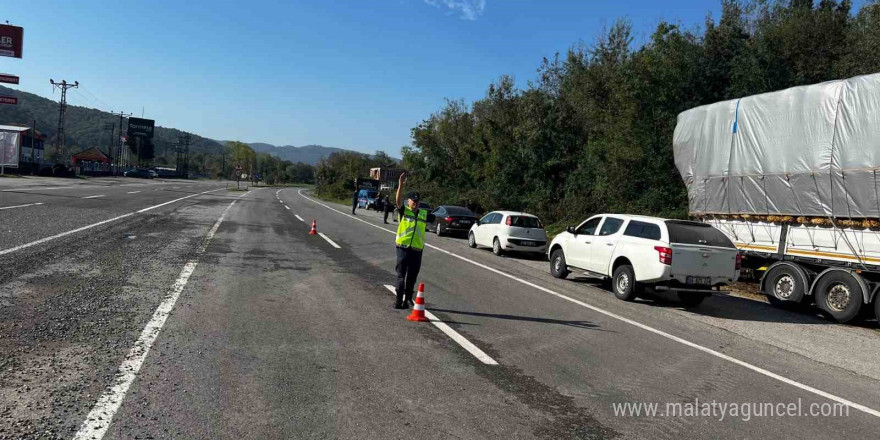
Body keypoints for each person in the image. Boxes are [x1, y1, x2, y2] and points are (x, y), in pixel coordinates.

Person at [393, 172, 434, 309]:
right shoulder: (404, 211)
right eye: (413, 200)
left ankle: (408, 299)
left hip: (417, 250)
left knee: (412, 277)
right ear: (408, 201)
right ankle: (398, 300)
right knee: (401, 276)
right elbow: (398, 201)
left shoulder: (423, 214)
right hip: (403, 248)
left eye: (417, 201)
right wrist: (400, 185)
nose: (415, 202)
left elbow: (436, 217)